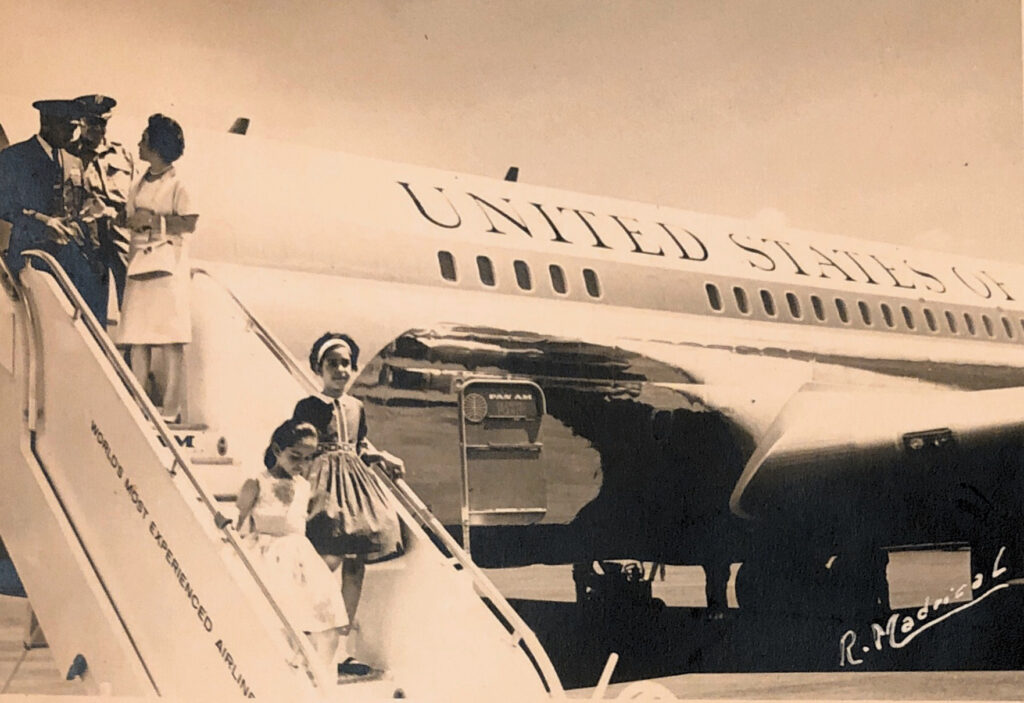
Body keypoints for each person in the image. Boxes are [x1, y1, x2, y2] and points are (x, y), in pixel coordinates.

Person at [292, 333, 404, 656]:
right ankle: (310, 641)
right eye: (332, 364)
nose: (340, 370)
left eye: (346, 364)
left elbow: (360, 446)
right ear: (319, 368)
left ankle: (338, 649)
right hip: (324, 488)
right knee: (326, 561)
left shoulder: (356, 407)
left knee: (356, 566)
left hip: (355, 490)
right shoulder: (308, 407)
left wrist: (383, 456)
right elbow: (297, 447)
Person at [235, 419, 352, 675]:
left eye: (308, 459)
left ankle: (313, 668)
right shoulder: (257, 482)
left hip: (299, 554)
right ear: (277, 451)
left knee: (324, 606)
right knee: (279, 607)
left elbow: (299, 524)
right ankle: (281, 664)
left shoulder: (304, 485)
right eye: (295, 457)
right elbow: (241, 525)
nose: (301, 465)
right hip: (266, 551)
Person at [116, 114, 197, 423]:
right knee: (138, 335)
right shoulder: (139, 181)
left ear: (157, 146)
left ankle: (171, 410)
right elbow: (128, 217)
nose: (139, 144)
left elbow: (189, 223)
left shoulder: (179, 184)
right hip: (139, 263)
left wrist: (153, 221)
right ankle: (139, 404)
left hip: (167, 265)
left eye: (144, 140)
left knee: (171, 338)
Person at [0, 99, 108, 324]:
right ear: (46, 123)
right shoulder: (14, 158)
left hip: (67, 254)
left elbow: (81, 206)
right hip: (30, 253)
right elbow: (4, 204)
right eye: (67, 127)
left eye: (75, 127)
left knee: (94, 300)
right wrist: (41, 221)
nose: (72, 134)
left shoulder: (74, 162)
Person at [70, 94, 135, 317]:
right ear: (81, 122)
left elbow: (132, 197)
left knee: (131, 300)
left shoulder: (123, 155)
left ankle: (130, 353)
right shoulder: (69, 153)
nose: (96, 128)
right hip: (89, 235)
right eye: (91, 122)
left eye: (101, 123)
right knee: (92, 301)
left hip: (120, 233)